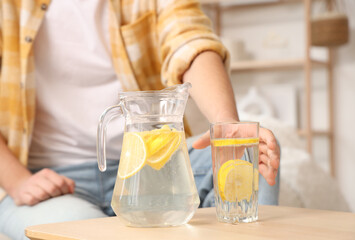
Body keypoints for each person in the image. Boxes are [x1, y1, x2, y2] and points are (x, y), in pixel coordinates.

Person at [0, 0, 280, 239]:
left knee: (248, 157)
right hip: (51, 180)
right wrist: (17, 181)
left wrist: (226, 125)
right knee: (85, 232)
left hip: (155, 163)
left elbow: (189, 38)